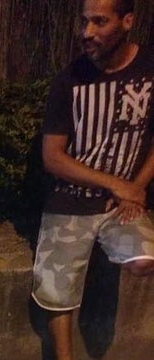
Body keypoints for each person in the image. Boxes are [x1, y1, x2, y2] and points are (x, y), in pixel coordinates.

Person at [31, 0, 154, 359]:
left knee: (146, 260)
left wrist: (136, 188)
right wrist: (114, 184)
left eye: (100, 22)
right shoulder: (69, 80)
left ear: (127, 21)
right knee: (56, 289)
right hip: (71, 197)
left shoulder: (149, 70)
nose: (88, 33)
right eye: (85, 22)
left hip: (123, 204)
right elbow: (53, 157)